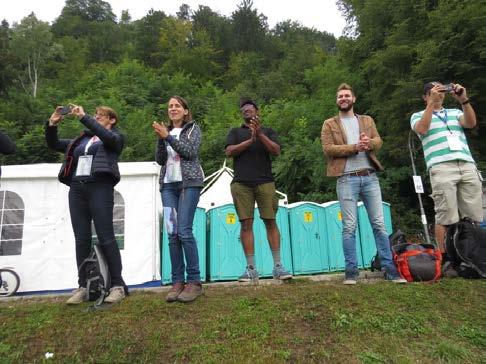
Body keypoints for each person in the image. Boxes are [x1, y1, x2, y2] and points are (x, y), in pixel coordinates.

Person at [321, 83, 406, 284]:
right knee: (349, 226)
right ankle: (351, 272)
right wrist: (354, 147)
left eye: (346, 95)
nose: (343, 98)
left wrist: (370, 144)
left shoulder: (367, 120)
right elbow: (328, 149)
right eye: (340, 96)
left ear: (354, 99)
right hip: (346, 178)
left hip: (370, 177)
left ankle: (390, 269)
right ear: (337, 100)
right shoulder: (329, 124)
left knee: (379, 224)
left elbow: (379, 140)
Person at [46, 104, 127, 304]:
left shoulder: (115, 138)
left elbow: (106, 137)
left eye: (100, 116)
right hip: (77, 189)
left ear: (112, 120)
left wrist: (84, 117)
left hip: (100, 187)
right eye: (95, 115)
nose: (96, 117)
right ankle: (84, 286)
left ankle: (117, 285)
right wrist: (52, 124)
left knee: (105, 236)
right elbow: (54, 144)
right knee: (81, 238)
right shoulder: (80, 140)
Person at [410, 82, 482, 259]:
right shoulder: (418, 115)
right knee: (445, 215)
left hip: (466, 163)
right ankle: (445, 258)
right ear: (425, 96)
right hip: (441, 166)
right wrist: (430, 105)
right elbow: (422, 129)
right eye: (433, 92)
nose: (439, 94)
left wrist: (463, 100)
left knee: (473, 215)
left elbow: (471, 123)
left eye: (442, 90)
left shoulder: (454, 113)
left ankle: (475, 255)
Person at [225, 98, 292, 282]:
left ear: (257, 111)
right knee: (246, 224)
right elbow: (229, 151)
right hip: (241, 184)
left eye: (250, 108)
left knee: (270, 221)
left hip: (265, 182)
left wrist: (259, 134)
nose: (246, 111)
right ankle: (251, 269)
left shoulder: (268, 131)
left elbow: (276, 151)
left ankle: (278, 267)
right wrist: (250, 141)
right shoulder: (235, 132)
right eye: (243, 109)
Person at [153, 96, 204, 303]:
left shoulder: (193, 129)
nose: (172, 109)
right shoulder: (164, 131)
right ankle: (177, 281)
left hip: (188, 184)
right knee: (172, 233)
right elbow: (160, 159)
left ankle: (194, 282)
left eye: (177, 106)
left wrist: (168, 137)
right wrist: (161, 138)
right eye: (170, 106)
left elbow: (190, 152)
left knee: (184, 231)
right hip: (168, 186)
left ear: (185, 111)